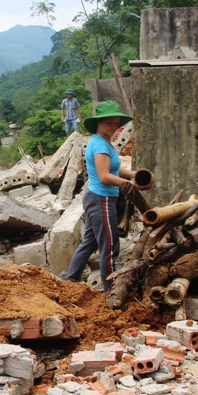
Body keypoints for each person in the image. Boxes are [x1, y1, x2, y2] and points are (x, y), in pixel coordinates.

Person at [61, 101, 137, 291]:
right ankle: (110, 290)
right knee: (110, 247)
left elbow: (115, 167)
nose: (113, 127)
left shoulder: (103, 143)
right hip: (101, 199)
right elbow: (104, 176)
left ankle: (69, 282)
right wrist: (127, 184)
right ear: (99, 123)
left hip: (97, 198)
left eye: (116, 124)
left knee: (90, 243)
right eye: (109, 123)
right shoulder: (101, 146)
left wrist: (133, 174)